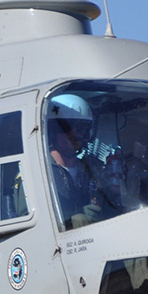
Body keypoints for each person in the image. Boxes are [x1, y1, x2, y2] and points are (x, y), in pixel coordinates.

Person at [46, 93, 122, 228]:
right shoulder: (40, 172)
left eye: (82, 127)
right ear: (52, 131)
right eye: (67, 127)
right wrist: (77, 217)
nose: (76, 133)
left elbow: (113, 209)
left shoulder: (93, 170)